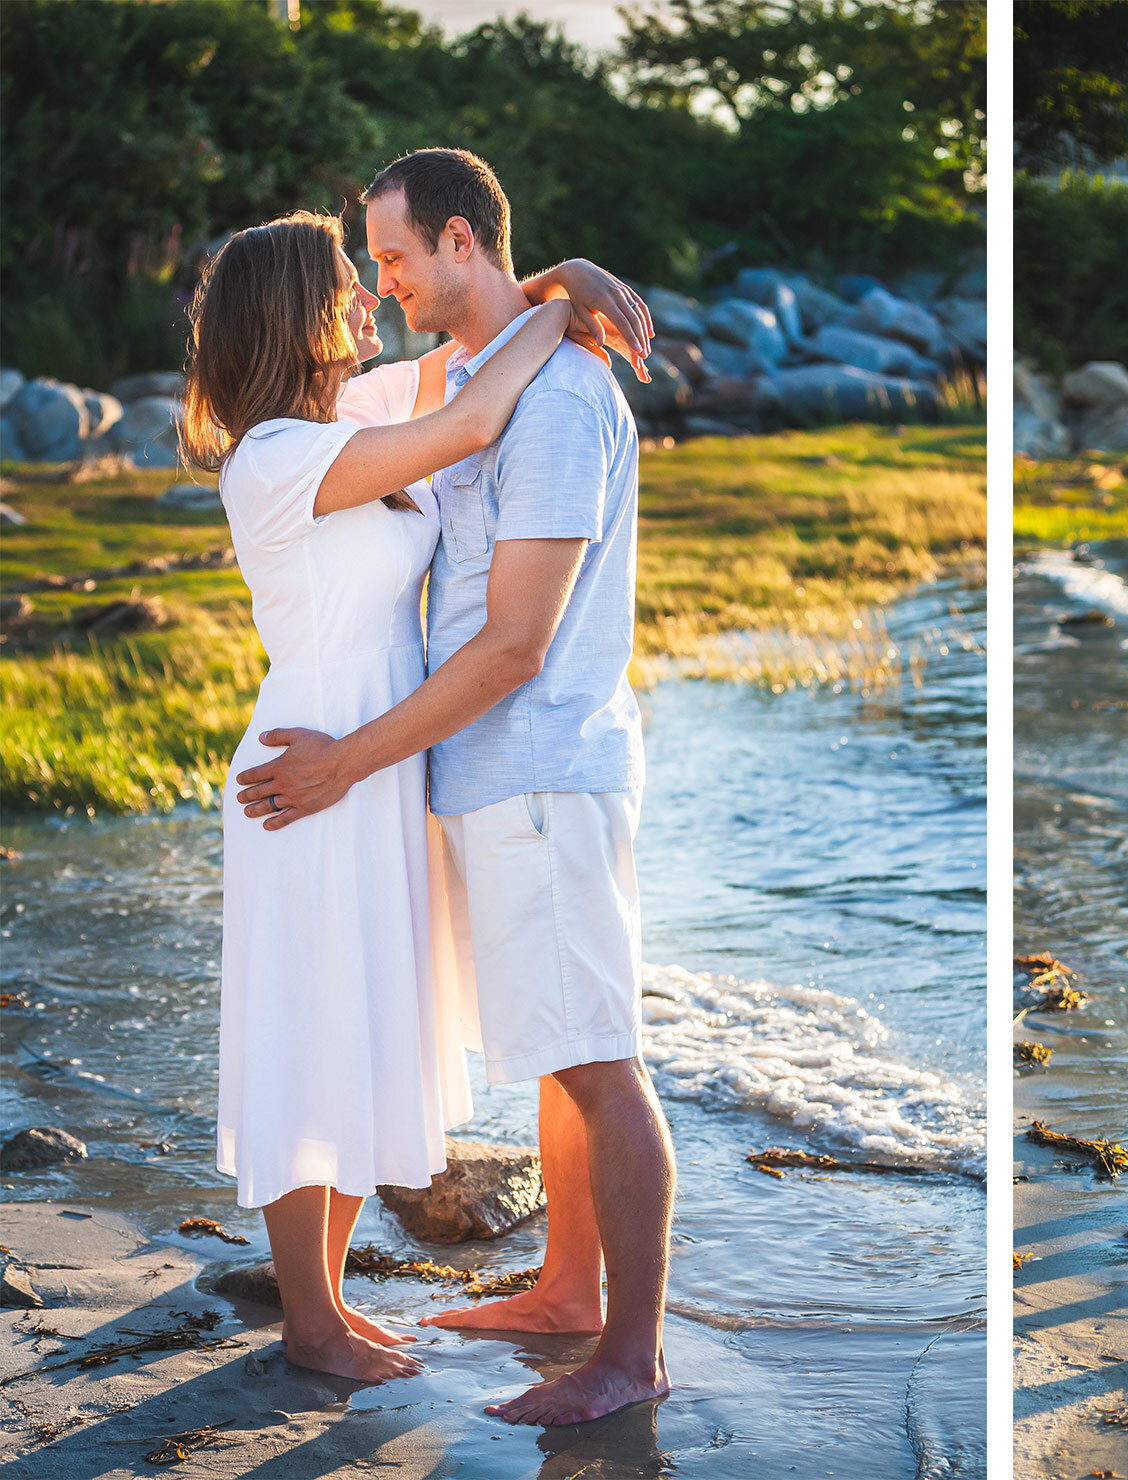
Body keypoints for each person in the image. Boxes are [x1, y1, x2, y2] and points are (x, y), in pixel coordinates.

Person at [233, 148, 675, 1425]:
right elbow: (457, 405)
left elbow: (517, 644)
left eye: (394, 258)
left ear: (461, 243)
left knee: (590, 1050)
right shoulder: (373, 416)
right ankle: (565, 1290)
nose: (379, 286)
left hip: (522, 762)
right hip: (437, 773)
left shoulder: (555, 392)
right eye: (361, 272)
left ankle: (625, 1350)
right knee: (552, 1046)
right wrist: (554, 289)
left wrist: (560, 292)